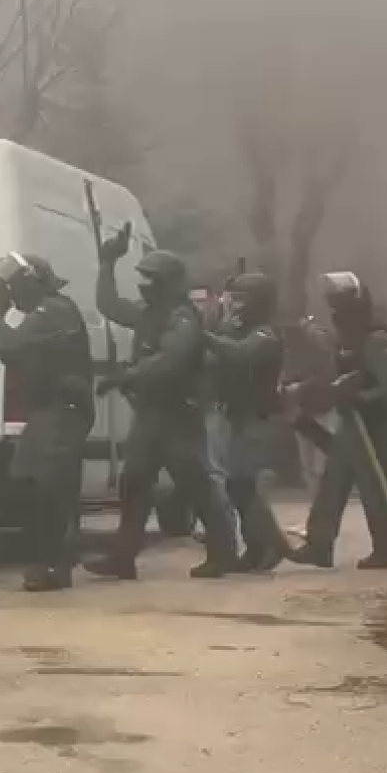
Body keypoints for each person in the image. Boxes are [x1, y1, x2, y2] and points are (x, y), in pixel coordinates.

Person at [83, 226, 237, 580]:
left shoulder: (181, 317)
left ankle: (224, 551)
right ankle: (123, 557)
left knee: (194, 482)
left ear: (168, 282)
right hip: (150, 413)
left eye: (151, 278)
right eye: (143, 277)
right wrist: (108, 262)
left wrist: (127, 376)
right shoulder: (151, 312)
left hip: (177, 415)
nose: (143, 284)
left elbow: (172, 360)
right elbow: (109, 305)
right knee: (134, 482)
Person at [0, 252, 93, 592]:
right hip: (46, 410)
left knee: (50, 487)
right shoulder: (46, 311)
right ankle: (55, 559)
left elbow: (12, 347)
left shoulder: (54, 310)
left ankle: (55, 565)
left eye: (14, 288)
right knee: (31, 484)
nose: (12, 296)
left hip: (63, 409)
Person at [286, 272, 387, 570]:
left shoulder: (376, 338)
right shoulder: (348, 336)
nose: (335, 312)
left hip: (374, 424)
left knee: (373, 486)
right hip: (352, 421)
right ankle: (319, 545)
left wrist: (358, 397)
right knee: (333, 483)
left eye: (339, 304)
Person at [203, 271, 289, 572]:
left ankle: (271, 545)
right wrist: (219, 322)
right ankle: (256, 548)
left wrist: (208, 337)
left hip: (258, 419)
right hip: (236, 414)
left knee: (247, 484)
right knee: (238, 485)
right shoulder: (236, 328)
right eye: (234, 298)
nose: (236, 305)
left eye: (242, 299)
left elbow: (240, 355)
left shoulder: (266, 334)